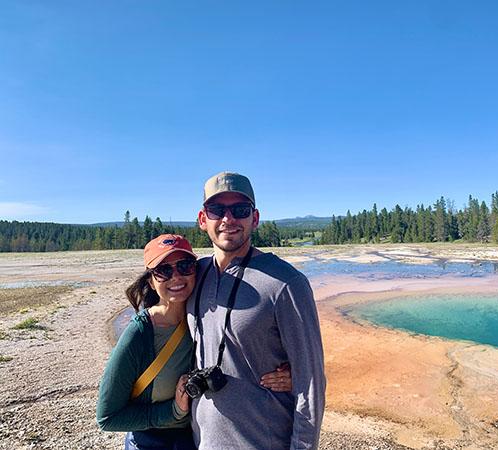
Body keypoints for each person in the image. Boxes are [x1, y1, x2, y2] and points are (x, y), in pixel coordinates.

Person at [96, 234, 292, 450]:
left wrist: (286, 373)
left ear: (196, 271)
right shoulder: (140, 334)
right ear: (151, 281)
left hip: (197, 438)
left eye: (185, 265)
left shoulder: (204, 314)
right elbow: (107, 417)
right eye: (164, 270)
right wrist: (172, 411)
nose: (176, 277)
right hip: (153, 443)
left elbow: (241, 349)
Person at [187, 172, 326, 449]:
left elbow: (310, 383)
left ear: (255, 218)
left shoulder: (286, 283)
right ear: (203, 220)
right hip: (203, 442)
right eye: (217, 210)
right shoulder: (192, 275)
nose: (228, 219)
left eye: (240, 210)